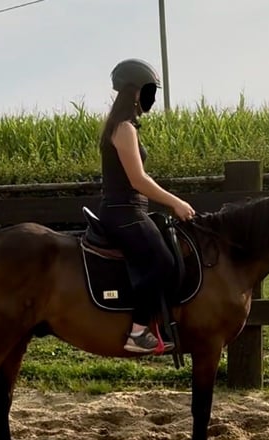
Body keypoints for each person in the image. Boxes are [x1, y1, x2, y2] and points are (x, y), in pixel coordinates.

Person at [98, 58, 196, 354]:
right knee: (163, 262)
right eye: (150, 91)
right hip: (124, 211)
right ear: (136, 92)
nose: (151, 97)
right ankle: (138, 331)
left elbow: (142, 177)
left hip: (130, 210)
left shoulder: (123, 127)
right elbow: (138, 180)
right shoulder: (124, 129)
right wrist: (175, 202)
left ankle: (158, 324)